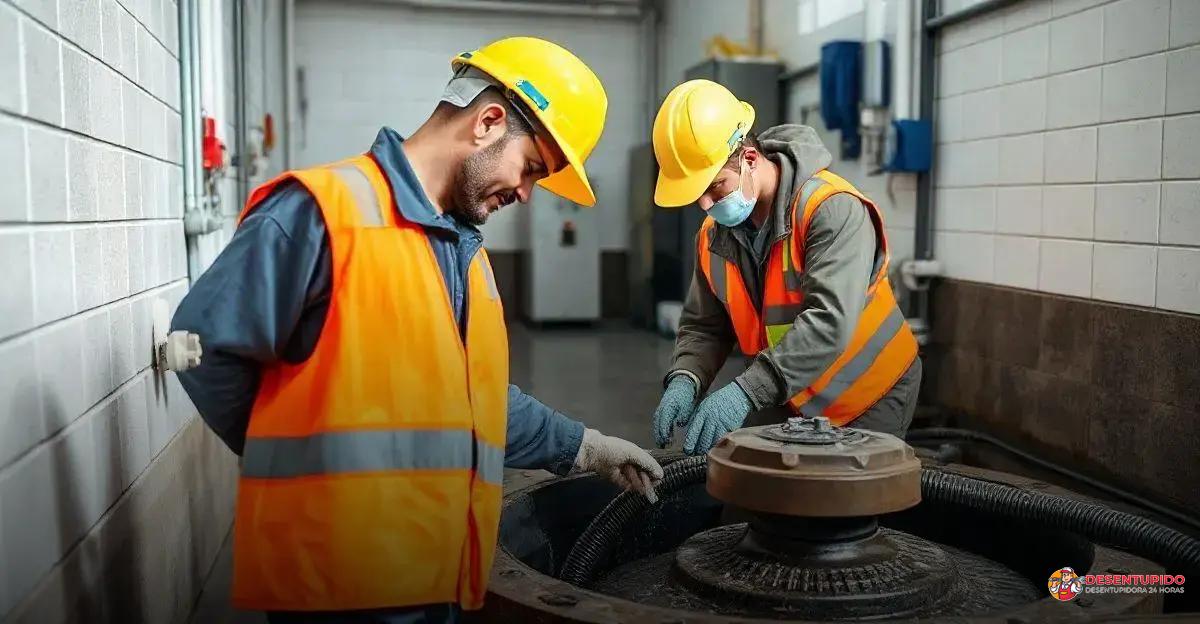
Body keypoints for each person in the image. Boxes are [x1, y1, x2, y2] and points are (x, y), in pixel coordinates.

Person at [171, 37, 662, 623]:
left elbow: (472, 403)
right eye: (531, 169)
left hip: (437, 576)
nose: (528, 195)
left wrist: (586, 446)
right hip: (341, 588)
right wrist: (299, 465)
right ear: (488, 122)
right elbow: (207, 348)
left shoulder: (463, 252)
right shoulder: (321, 212)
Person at [649, 79, 922, 456]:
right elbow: (704, 325)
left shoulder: (831, 209)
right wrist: (687, 377)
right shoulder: (714, 237)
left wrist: (746, 392)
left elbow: (829, 322)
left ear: (748, 159)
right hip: (787, 390)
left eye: (716, 187)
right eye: (698, 196)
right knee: (768, 501)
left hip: (868, 393)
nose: (706, 206)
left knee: (843, 506)